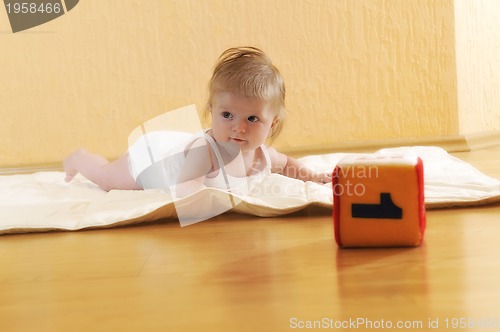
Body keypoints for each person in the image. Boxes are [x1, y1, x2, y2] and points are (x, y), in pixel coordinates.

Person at [63, 47, 332, 193]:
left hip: (173, 146)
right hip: (152, 160)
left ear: (272, 124)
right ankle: (80, 158)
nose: (238, 127)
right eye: (227, 115)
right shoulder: (206, 153)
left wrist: (313, 177)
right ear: (212, 110)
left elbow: (288, 165)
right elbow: (186, 191)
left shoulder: (262, 155)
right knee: (106, 179)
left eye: (252, 118)